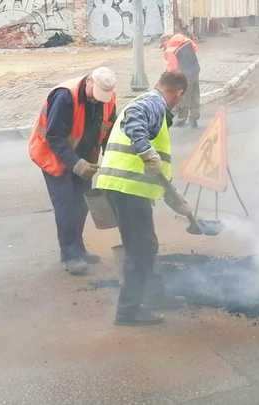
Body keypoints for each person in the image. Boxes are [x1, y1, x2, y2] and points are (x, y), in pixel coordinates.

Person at [95, 71, 193, 326]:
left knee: (146, 245)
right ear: (178, 92)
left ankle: (153, 296)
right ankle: (128, 311)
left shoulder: (154, 105)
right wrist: (147, 152)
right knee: (140, 249)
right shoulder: (152, 103)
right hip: (126, 187)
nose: (177, 104)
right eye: (180, 99)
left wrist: (175, 201)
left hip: (128, 187)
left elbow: (158, 170)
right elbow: (133, 122)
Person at [28, 67, 117, 275]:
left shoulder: (107, 99)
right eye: (94, 96)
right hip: (54, 157)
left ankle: (79, 249)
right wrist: (76, 164)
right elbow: (54, 138)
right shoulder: (64, 97)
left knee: (82, 204)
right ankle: (69, 255)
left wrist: (109, 159)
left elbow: (108, 132)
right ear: (89, 82)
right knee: (66, 206)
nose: (97, 101)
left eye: (102, 98)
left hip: (84, 157)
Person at [160, 33, 201, 128]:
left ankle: (182, 119)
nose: (164, 48)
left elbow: (172, 68)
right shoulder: (184, 39)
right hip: (195, 68)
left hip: (185, 73)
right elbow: (195, 49)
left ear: (166, 40)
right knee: (195, 93)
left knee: (183, 96)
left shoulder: (170, 49)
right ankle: (194, 118)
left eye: (163, 45)